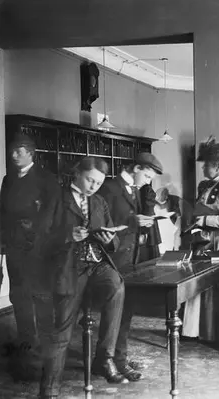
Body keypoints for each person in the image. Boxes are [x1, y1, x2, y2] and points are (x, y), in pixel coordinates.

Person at [39, 157, 126, 398]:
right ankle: (49, 389)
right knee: (62, 329)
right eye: (90, 180)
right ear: (77, 173)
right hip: (69, 268)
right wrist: (68, 235)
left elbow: (114, 238)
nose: (94, 186)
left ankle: (104, 357)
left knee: (116, 285)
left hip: (96, 265)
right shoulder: (56, 198)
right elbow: (39, 239)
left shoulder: (99, 201)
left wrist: (110, 240)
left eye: (98, 183)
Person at [0, 134, 62, 379]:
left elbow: (52, 214)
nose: (14, 155)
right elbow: (0, 211)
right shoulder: (8, 179)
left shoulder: (46, 179)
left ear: (31, 153)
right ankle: (27, 347)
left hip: (39, 248)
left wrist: (37, 236)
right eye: (12, 151)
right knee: (19, 296)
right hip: (14, 247)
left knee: (41, 297)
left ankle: (46, 352)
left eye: (19, 151)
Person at [96, 152, 163, 382]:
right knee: (116, 313)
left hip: (130, 259)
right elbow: (103, 224)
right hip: (114, 259)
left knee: (126, 312)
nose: (147, 181)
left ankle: (117, 358)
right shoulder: (109, 188)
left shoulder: (134, 189)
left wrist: (141, 222)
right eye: (146, 175)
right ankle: (109, 360)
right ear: (135, 168)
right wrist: (133, 221)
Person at [181, 136, 219, 343]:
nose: (203, 168)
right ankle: (193, 330)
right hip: (200, 240)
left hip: (216, 241)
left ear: (216, 166)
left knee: (213, 285)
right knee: (196, 283)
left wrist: (206, 220)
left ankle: (213, 332)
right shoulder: (203, 186)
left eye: (206, 164)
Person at [138, 183, 162, 262]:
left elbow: (148, 211)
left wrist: (144, 231)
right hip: (147, 225)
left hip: (145, 227)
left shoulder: (146, 189)